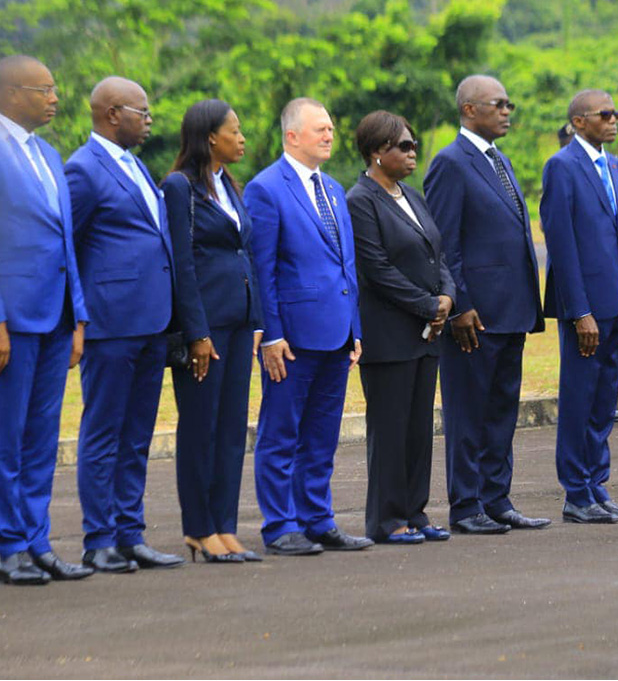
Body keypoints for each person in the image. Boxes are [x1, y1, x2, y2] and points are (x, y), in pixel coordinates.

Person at [65, 77, 184, 572]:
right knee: (103, 431)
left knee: (137, 434)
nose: (149, 120)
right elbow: (64, 246)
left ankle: (130, 533)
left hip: (152, 321)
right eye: (143, 111)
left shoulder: (135, 165)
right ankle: (99, 539)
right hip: (111, 323)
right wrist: (76, 315)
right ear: (114, 114)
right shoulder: (83, 171)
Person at [244, 98, 373, 555]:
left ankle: (318, 519)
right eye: (319, 128)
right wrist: (272, 335)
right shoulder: (266, 189)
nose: (329, 135)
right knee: (281, 433)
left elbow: (347, 267)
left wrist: (355, 328)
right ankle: (280, 525)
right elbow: (264, 270)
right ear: (292, 135)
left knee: (322, 436)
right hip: (292, 338)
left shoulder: (334, 189)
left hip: (337, 334)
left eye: (332, 128)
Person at [424, 75, 549, 534]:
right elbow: (443, 244)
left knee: (500, 412)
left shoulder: (500, 160)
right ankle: (467, 504)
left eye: (508, 104)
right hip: (474, 316)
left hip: (511, 310)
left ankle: (497, 498)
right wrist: (459, 307)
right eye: (498, 104)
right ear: (469, 110)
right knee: (468, 414)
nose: (507, 111)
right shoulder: (451, 164)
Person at [0, 56, 91, 585]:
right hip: (14, 322)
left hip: (56, 320)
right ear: (12, 94)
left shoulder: (51, 155)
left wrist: (78, 317)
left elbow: (66, 245)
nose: (55, 98)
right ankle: (8, 543)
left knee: (40, 439)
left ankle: (35, 542)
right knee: (7, 438)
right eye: (45, 89)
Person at [162, 100, 264, 563]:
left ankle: (224, 525)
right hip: (206, 327)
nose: (241, 138)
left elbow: (245, 255)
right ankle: (198, 528)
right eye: (234, 131)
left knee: (230, 429)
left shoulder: (228, 185)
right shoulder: (179, 188)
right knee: (200, 427)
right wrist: (196, 332)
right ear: (209, 137)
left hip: (240, 324)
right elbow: (182, 264)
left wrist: (257, 318)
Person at [348, 111, 456, 544]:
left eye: (414, 146)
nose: (414, 153)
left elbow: (437, 254)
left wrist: (448, 295)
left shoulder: (412, 195)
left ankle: (416, 510)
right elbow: (376, 268)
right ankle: (388, 519)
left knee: (418, 429)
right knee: (390, 429)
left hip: (425, 332)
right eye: (404, 147)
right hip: (390, 334)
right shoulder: (360, 200)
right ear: (377, 152)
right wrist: (427, 304)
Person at [540, 88, 618, 524]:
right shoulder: (562, 166)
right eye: (604, 114)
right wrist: (579, 311)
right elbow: (561, 245)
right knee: (580, 399)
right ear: (579, 122)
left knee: (604, 401)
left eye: (616, 113)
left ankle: (597, 486)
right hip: (585, 307)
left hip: (616, 302)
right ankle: (576, 493)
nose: (614, 120)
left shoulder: (615, 165)